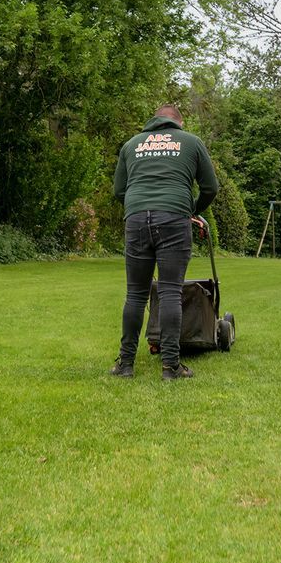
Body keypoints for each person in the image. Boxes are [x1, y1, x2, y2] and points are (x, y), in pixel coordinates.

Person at [111, 103, 220, 380]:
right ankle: (171, 366)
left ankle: (125, 364)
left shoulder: (131, 145)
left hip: (136, 220)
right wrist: (192, 208)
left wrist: (139, 206)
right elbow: (210, 187)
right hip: (173, 218)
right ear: (178, 124)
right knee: (170, 291)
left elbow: (119, 190)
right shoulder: (191, 142)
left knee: (135, 294)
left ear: (154, 121)